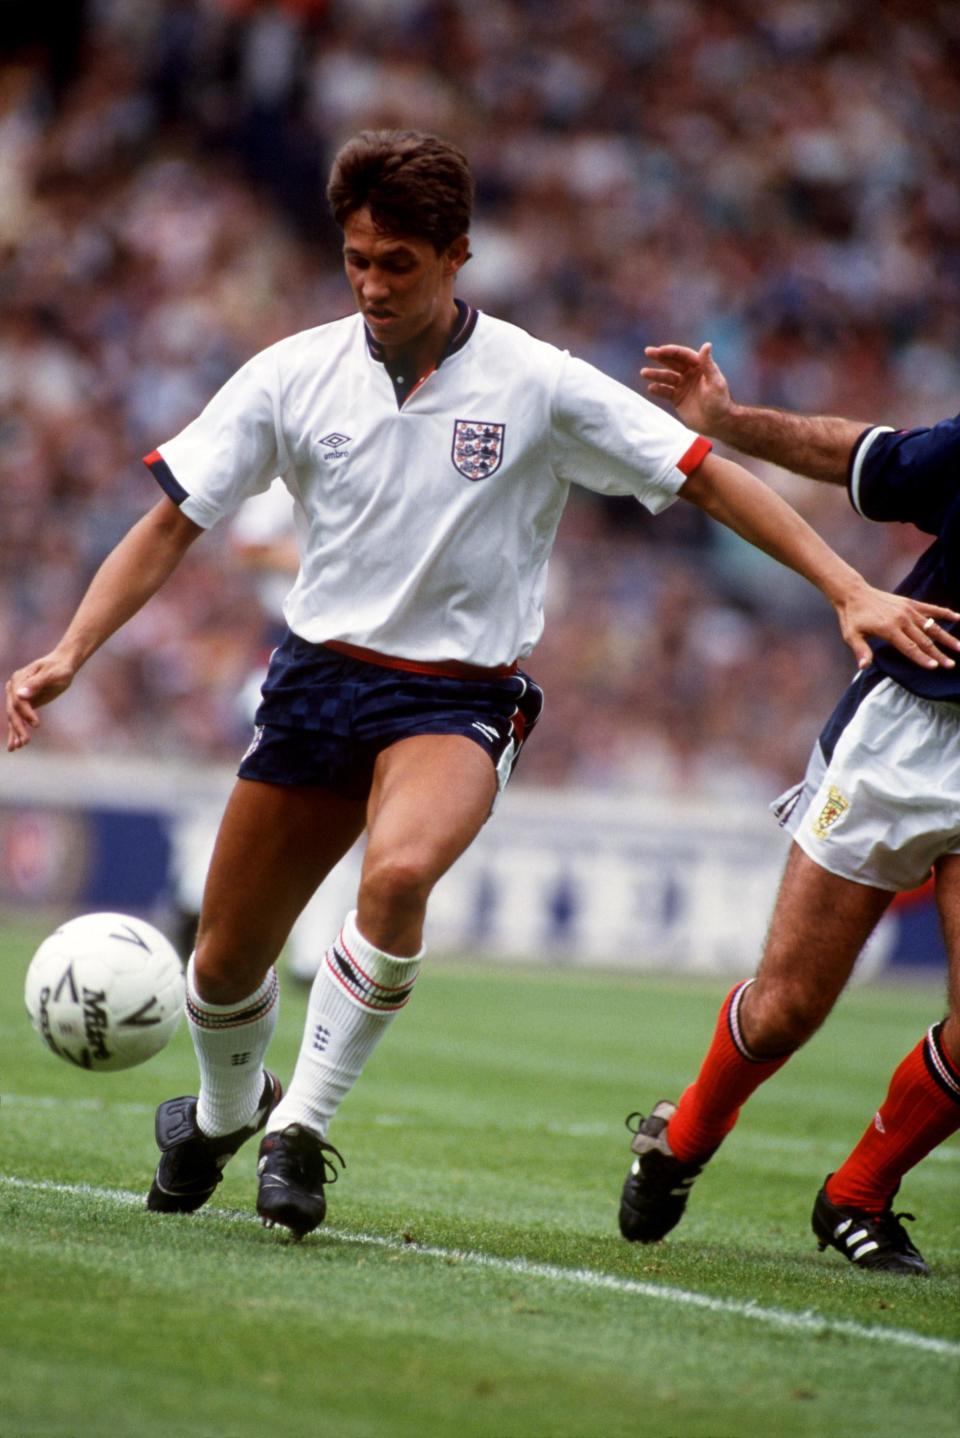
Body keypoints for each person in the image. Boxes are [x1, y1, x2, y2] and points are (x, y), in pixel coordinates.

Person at [6, 133, 957, 1243]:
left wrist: (849, 590)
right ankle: (224, 1111)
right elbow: (172, 522)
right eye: (357, 258)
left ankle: (297, 1131)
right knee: (221, 962)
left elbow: (707, 479)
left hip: (457, 696)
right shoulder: (289, 373)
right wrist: (71, 649)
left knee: (400, 872)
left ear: (457, 256)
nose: (371, 284)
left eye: (398, 262)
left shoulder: (538, 381)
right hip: (316, 685)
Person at [618, 339, 960, 1276]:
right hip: (907, 729)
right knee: (785, 1009)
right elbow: (867, 461)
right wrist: (727, 422)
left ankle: (858, 1195)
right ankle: (682, 1136)